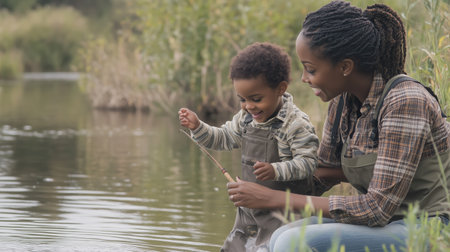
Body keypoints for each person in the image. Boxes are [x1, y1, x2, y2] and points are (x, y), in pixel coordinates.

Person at [226, 1, 450, 251]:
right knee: (281, 234)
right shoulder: (343, 101)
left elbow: (377, 209)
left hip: (428, 226)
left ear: (345, 67)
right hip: (385, 224)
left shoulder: (405, 102)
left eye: (310, 69)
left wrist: (276, 198)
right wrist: (268, 176)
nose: (303, 79)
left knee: (291, 242)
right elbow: (321, 173)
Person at [178, 42, 320, 251]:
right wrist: (199, 127)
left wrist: (275, 170)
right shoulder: (246, 118)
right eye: (242, 99)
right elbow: (224, 138)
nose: (248, 106)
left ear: (281, 88)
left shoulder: (296, 124)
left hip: (284, 215)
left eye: (256, 99)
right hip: (248, 217)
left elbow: (308, 163)